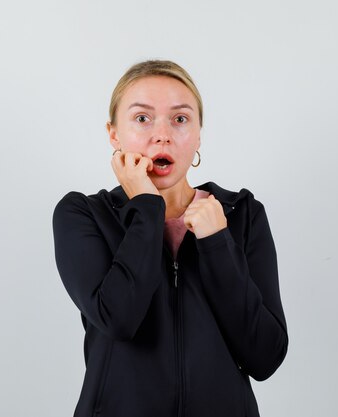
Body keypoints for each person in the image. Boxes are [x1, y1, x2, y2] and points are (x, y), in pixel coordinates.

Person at [52, 60, 288, 417]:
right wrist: (146, 207)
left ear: (198, 135)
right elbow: (119, 318)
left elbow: (265, 357)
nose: (162, 134)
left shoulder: (241, 214)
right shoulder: (83, 215)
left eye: (180, 119)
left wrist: (216, 243)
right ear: (113, 133)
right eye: (142, 118)